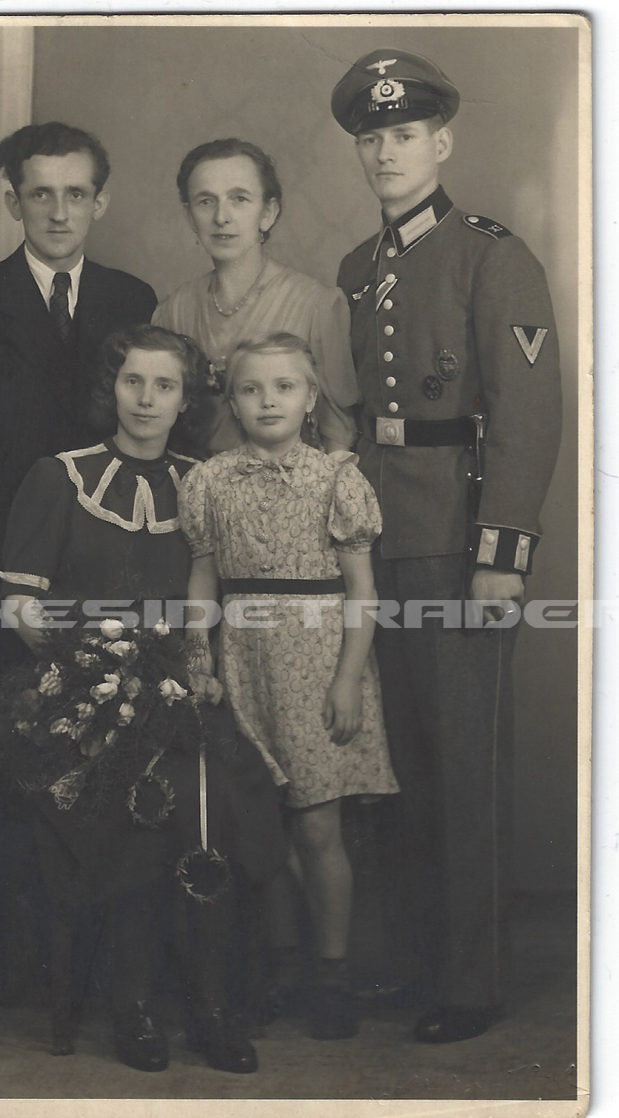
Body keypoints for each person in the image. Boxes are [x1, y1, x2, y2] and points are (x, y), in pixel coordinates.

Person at [330, 49, 562, 1043]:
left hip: (456, 536)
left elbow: (527, 414)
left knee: (463, 762)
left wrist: (500, 553)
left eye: (401, 134)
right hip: (375, 537)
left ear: (441, 142)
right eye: (369, 137)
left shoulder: (490, 252)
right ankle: (410, 958)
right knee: (395, 763)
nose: (384, 152)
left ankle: (471, 977)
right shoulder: (358, 266)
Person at [0, 122, 157, 1013]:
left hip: (96, 584)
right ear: (11, 199)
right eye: (39, 193)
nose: (58, 210)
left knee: (89, 773)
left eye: (75, 193)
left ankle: (79, 972)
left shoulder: (131, 297)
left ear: (102, 201)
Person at [0, 324, 285, 1073]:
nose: (147, 399)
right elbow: (22, 607)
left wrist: (192, 666)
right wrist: (91, 661)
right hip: (83, 694)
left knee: (223, 795)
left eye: (165, 385)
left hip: (184, 687)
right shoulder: (59, 476)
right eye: (134, 382)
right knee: (139, 793)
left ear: (186, 398)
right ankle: (134, 1006)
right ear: (112, 387)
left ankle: (213, 1006)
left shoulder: (206, 480)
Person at [178, 332, 398, 1040]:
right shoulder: (209, 481)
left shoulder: (337, 478)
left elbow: (361, 593)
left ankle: (329, 973)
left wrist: (345, 682)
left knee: (316, 826)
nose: (267, 400)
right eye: (250, 389)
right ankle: (280, 965)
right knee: (258, 829)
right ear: (232, 402)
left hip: (319, 663)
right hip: (243, 660)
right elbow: (204, 577)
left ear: (310, 399)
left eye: (284, 387)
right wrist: (198, 656)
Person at [152, 138, 358, 454]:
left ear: (268, 212)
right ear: (190, 216)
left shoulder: (316, 306)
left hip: (291, 497)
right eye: (206, 201)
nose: (222, 217)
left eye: (240, 199)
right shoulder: (172, 312)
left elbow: (339, 433)